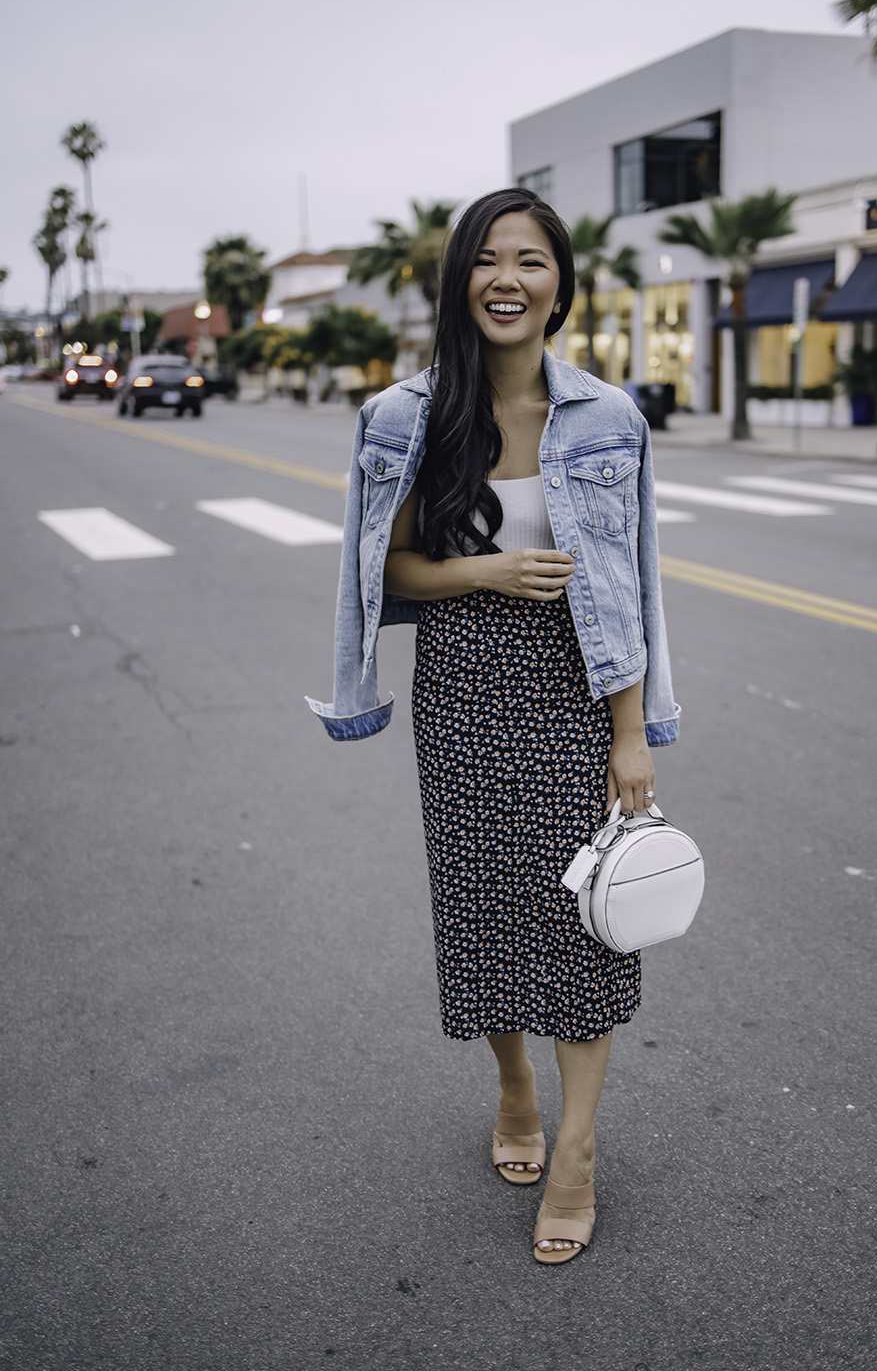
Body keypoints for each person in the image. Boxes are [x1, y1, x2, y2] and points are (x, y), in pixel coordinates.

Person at [307, 187, 679, 1264]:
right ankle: (512, 1083)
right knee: (482, 907)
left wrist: (632, 731)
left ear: (560, 283)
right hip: (463, 683)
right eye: (487, 259)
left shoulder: (609, 417)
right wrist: (487, 568)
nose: (507, 278)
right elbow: (390, 570)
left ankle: (575, 1149)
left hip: (576, 683)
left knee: (579, 921)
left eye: (530, 260)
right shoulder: (405, 417)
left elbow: (634, 585)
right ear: (460, 279)